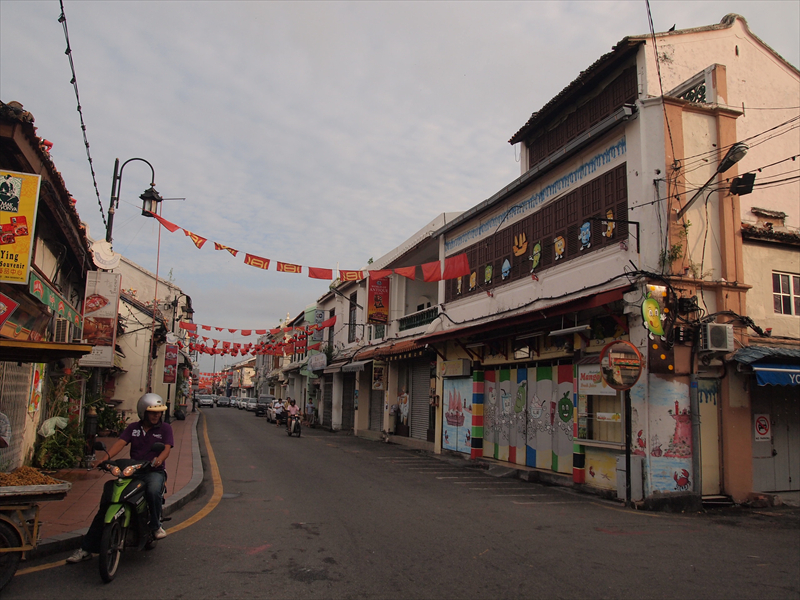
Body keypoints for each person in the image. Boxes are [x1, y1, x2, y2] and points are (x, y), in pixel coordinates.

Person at [66, 393, 173, 563]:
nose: (156, 416)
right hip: (133, 471)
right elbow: (120, 443)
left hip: (154, 471)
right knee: (108, 502)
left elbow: (166, 448)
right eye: (153, 412)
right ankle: (86, 548)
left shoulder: (165, 428)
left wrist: (159, 459)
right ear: (143, 412)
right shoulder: (133, 428)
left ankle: (155, 526)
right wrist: (103, 459)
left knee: (153, 490)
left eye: (159, 412)